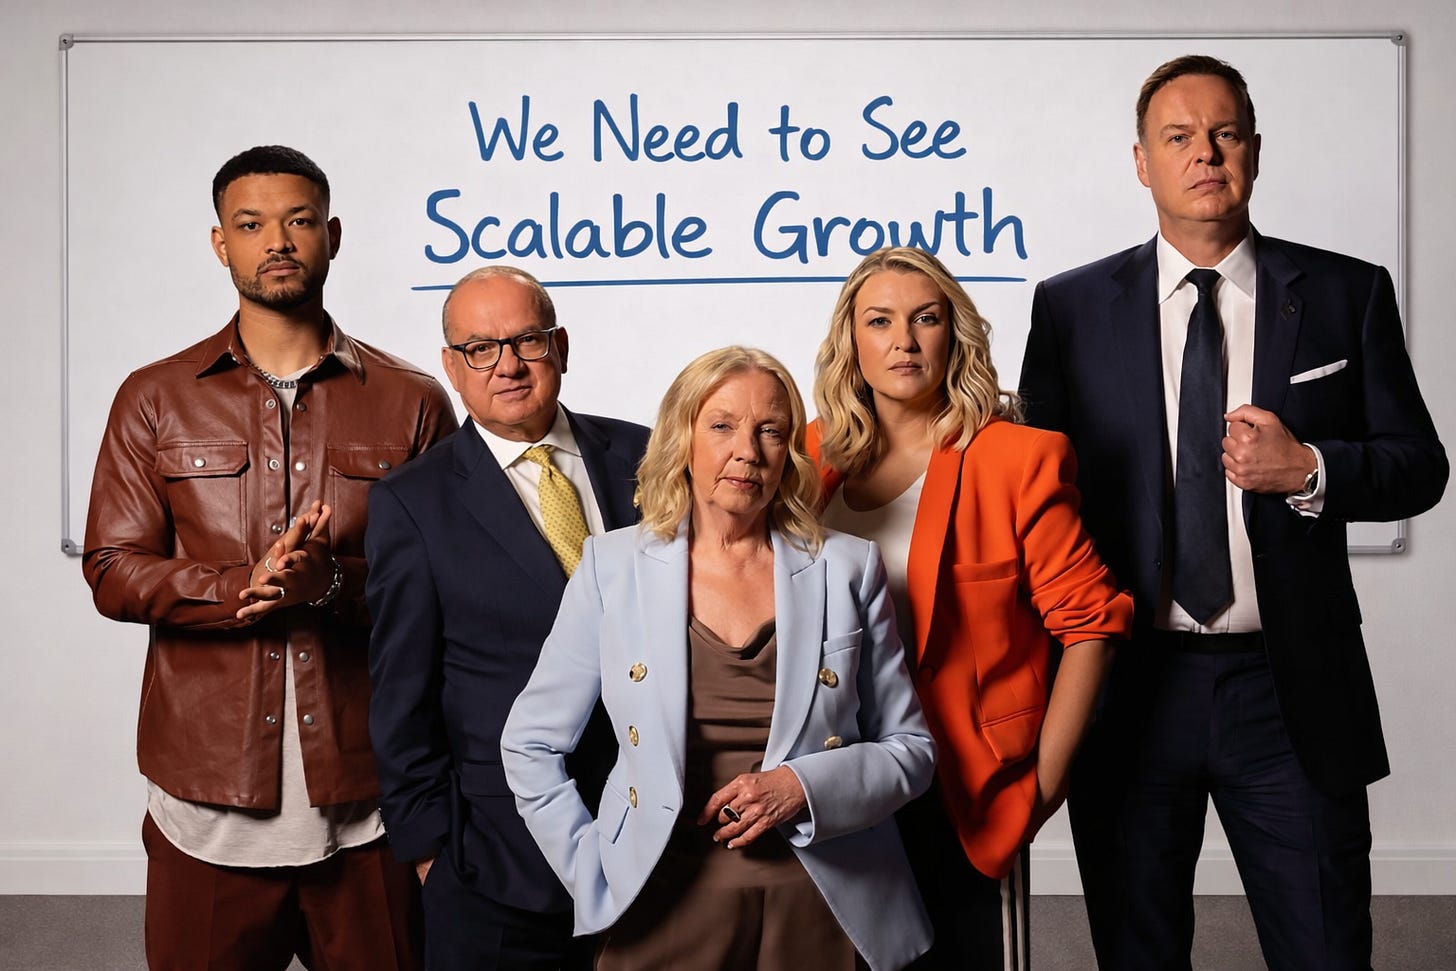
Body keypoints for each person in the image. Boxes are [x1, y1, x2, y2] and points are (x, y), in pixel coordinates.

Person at [1018, 54, 1449, 970]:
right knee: (1138, 953)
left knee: (1327, 950)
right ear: (1141, 160)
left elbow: (1420, 466)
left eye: (1224, 134)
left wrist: (1311, 468)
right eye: (1178, 137)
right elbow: (1036, 501)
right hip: (1129, 685)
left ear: (1254, 150)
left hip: (1289, 688)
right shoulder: (1070, 309)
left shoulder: (1345, 291)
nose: (1204, 153)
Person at [82, 144, 457, 969]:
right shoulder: (154, 396)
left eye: (297, 221)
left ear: (332, 234)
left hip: (370, 807)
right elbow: (111, 565)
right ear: (221, 243)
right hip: (206, 809)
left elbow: (449, 588)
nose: (276, 240)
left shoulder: (413, 400)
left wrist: (331, 586)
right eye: (251, 224)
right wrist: (236, 586)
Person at [500, 346, 936, 971]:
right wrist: (593, 865)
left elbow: (911, 750)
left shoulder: (848, 566)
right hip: (663, 898)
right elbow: (529, 745)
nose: (747, 451)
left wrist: (800, 787)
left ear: (790, 453)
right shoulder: (611, 567)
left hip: (826, 897)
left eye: (771, 431)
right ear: (683, 437)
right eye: (723, 425)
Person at [808, 247, 1132, 970]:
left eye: (927, 319)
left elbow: (1093, 623)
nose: (905, 340)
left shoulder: (1015, 458)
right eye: (880, 320)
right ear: (850, 342)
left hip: (955, 786)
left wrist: (1045, 782)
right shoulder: (807, 461)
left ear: (954, 334)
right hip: (831, 787)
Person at [365, 265, 649, 970]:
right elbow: (400, 698)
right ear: (451, 368)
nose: (508, 364)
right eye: (480, 349)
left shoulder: (650, 459)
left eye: (526, 339)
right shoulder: (413, 502)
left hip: (654, 842)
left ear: (561, 346)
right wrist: (434, 853)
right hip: (494, 862)